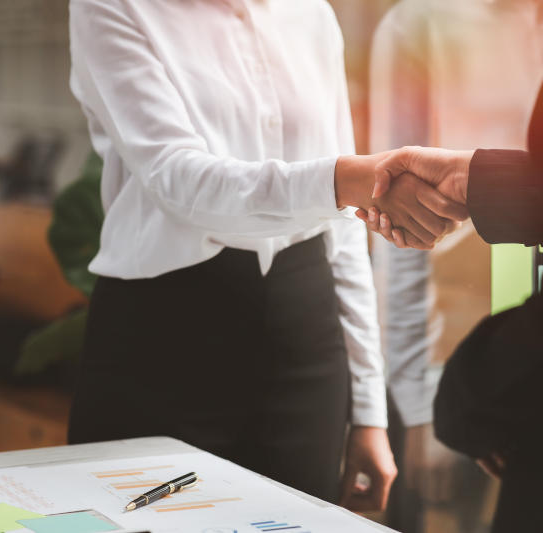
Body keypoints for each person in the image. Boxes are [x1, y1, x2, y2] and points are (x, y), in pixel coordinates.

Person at [66, 0, 466, 511]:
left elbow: (343, 230)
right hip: (161, 337)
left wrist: (368, 412)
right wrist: (347, 181)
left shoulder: (310, 13)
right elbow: (177, 179)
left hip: (306, 338)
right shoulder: (113, 6)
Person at [367, 1, 543, 530]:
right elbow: (396, 226)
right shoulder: (421, 24)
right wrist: (421, 403)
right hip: (464, 361)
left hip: (518, 363)